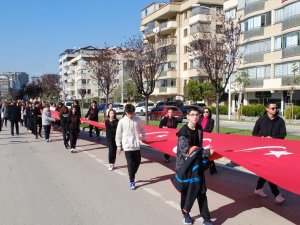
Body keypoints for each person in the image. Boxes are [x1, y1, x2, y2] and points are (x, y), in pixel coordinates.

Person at [176, 106, 213, 225]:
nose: (195, 117)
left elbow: (199, 147)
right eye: (192, 115)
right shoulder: (183, 132)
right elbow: (186, 151)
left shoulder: (199, 128)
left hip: (197, 165)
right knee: (186, 193)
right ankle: (185, 214)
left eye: (197, 115)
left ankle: (206, 218)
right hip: (185, 166)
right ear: (187, 117)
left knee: (201, 191)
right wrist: (206, 152)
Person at [252, 101, 286, 204]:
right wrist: (261, 138)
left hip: (275, 150)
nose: (275, 110)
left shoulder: (280, 121)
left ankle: (258, 189)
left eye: (276, 108)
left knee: (266, 171)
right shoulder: (261, 120)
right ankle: (277, 195)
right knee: (269, 171)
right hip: (263, 150)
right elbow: (254, 133)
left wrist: (273, 138)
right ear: (267, 109)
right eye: (273, 108)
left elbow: (283, 134)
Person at [115, 104, 145, 190]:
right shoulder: (121, 121)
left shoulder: (138, 120)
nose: (131, 115)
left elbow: (142, 128)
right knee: (130, 164)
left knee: (138, 161)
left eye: (132, 113)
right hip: (127, 146)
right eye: (129, 113)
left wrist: (142, 136)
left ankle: (132, 174)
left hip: (136, 145)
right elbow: (118, 134)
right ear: (125, 112)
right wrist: (119, 146)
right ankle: (132, 181)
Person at [198, 107, 217, 174]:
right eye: (204, 112)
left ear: (209, 113)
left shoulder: (211, 120)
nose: (205, 113)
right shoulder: (199, 119)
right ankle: (211, 168)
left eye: (207, 112)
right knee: (201, 153)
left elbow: (210, 130)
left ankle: (210, 168)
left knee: (207, 154)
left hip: (207, 139)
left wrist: (201, 130)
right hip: (199, 138)